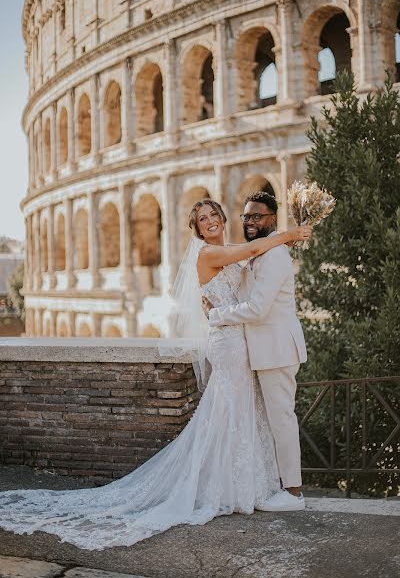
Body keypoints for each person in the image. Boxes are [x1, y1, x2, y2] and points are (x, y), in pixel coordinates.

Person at [0, 198, 311, 550]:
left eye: (213, 215)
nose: (209, 221)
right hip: (228, 341)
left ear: (224, 219)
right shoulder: (210, 254)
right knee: (232, 411)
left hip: (244, 340)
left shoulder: (235, 250)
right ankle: (237, 488)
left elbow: (255, 257)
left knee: (240, 411)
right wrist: (291, 234)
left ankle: (246, 485)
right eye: (202, 219)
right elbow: (254, 254)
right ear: (196, 228)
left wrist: (282, 242)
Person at [202, 191, 307, 511]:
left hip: (276, 349)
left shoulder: (274, 255)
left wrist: (216, 315)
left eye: (257, 216)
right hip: (263, 349)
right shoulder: (265, 251)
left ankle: (293, 493)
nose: (249, 222)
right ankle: (277, 485)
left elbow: (259, 308)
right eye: (246, 216)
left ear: (272, 219)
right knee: (273, 420)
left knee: (281, 421)